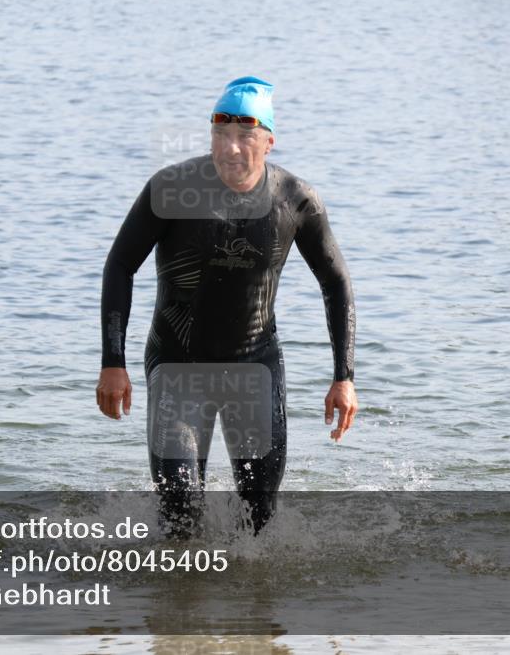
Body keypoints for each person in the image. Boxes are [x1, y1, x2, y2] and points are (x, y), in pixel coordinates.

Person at [96, 76, 357, 536]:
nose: (230, 148)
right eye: (220, 134)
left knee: (260, 516)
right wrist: (113, 363)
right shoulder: (171, 189)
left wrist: (344, 377)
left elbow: (335, 282)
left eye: (244, 137)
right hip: (177, 365)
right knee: (179, 510)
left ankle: (250, 583)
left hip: (254, 366)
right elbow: (120, 265)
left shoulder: (295, 200)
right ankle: (183, 583)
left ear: (269, 142)